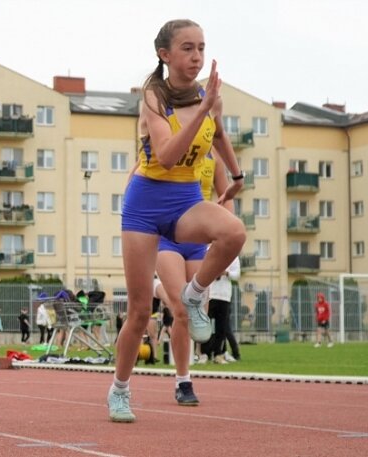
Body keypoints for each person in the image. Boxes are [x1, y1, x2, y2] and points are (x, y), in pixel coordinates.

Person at [109, 19, 246, 423]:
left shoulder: (210, 97)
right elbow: (166, 155)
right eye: (187, 48)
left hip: (186, 199)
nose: (197, 56)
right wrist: (201, 109)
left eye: (201, 47)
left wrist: (236, 176)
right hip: (146, 204)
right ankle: (119, 390)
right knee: (137, 312)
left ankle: (193, 293)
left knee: (233, 232)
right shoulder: (153, 97)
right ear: (165, 55)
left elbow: (218, 134)